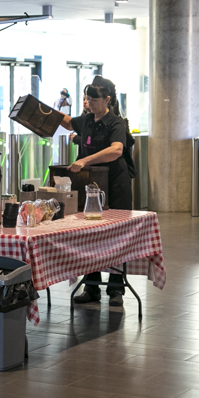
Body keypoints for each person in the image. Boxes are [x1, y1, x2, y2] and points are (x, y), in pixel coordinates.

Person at [60, 76, 133, 307]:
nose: (89, 103)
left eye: (94, 99)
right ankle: (91, 287)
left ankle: (115, 290)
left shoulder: (116, 123)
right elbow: (69, 122)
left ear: (107, 100)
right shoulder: (87, 120)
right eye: (87, 99)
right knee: (88, 233)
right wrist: (40, 109)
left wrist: (85, 160)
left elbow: (116, 150)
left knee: (116, 235)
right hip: (91, 185)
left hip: (116, 184)